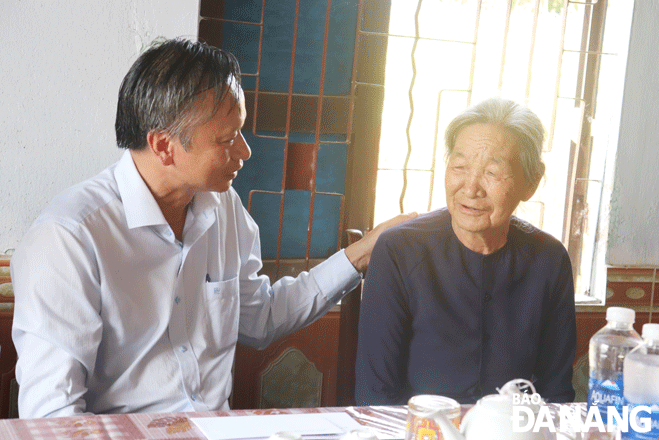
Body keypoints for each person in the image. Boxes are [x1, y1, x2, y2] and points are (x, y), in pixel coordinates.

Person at [10, 38, 415, 418]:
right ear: (164, 145)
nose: (246, 151)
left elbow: (261, 319)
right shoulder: (69, 239)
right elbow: (51, 416)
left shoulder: (224, 208)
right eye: (227, 138)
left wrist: (363, 253)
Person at [354, 97, 576, 405]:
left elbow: (557, 392)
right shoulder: (399, 252)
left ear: (532, 182)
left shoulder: (549, 260)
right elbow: (375, 396)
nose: (470, 188)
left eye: (491, 173)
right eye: (460, 167)